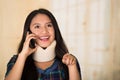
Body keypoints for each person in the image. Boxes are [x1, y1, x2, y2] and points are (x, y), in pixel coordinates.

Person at [5, 8, 82, 80]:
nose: (44, 31)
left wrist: (72, 66)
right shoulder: (16, 61)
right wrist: (23, 56)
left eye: (49, 25)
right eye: (37, 26)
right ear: (28, 32)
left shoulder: (70, 60)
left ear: (55, 30)